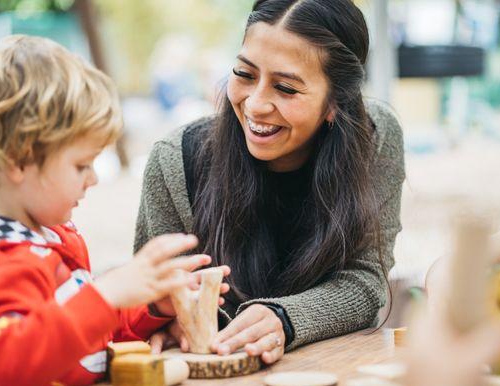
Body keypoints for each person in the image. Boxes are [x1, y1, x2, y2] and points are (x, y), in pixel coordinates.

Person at [0, 35, 228, 386]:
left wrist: (151, 308)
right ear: (19, 160)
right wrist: (107, 295)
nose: (92, 178)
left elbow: (84, 341)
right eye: (81, 165)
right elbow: (6, 368)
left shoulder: (46, 241)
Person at [137, 0, 405, 364]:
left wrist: (286, 319)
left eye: (286, 88)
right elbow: (147, 298)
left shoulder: (375, 137)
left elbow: (365, 282)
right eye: (245, 74)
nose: (256, 105)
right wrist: (165, 318)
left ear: (335, 104)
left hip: (338, 365)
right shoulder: (173, 161)